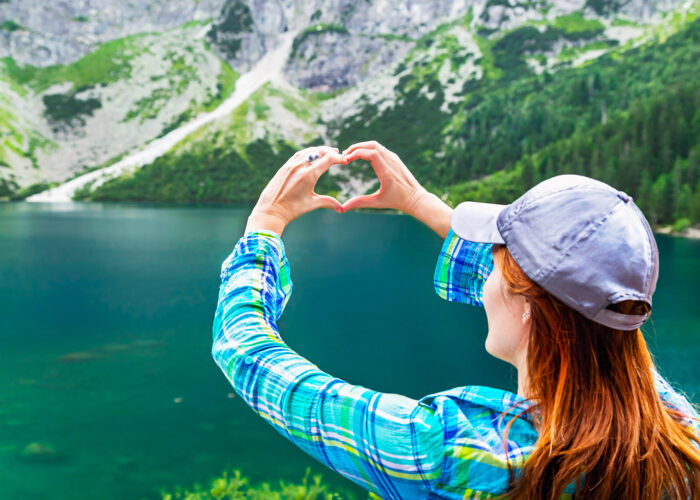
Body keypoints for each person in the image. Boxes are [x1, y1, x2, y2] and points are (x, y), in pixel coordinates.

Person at [212, 141, 700, 499]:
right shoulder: (684, 438)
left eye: (497, 264)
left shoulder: (450, 454)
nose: (485, 280)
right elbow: (568, 301)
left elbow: (245, 353)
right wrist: (419, 203)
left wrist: (266, 224)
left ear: (529, 305)